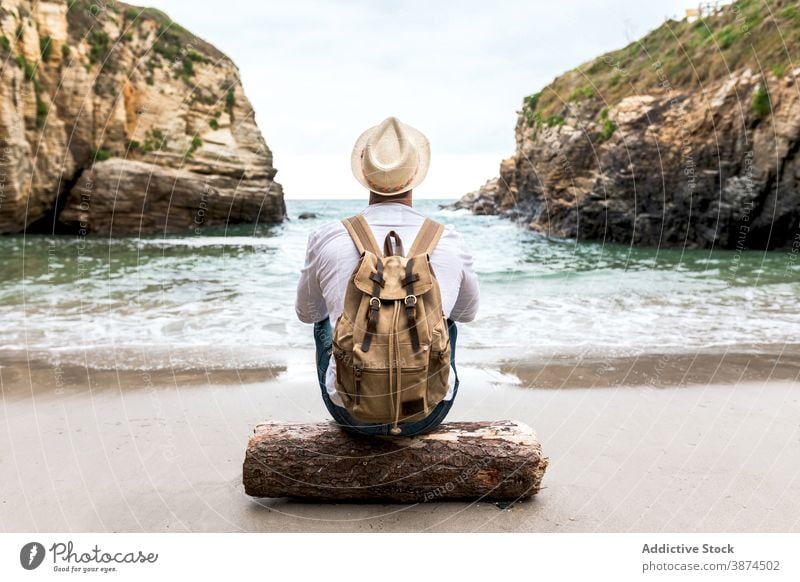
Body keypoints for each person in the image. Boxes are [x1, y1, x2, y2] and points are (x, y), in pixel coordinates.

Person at [295, 116, 479, 436]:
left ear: (364, 174)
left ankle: (353, 391)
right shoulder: (449, 239)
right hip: (427, 414)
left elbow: (306, 312)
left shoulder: (326, 236)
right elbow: (468, 313)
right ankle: (420, 389)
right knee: (447, 320)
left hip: (352, 417)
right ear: (415, 175)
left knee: (322, 319)